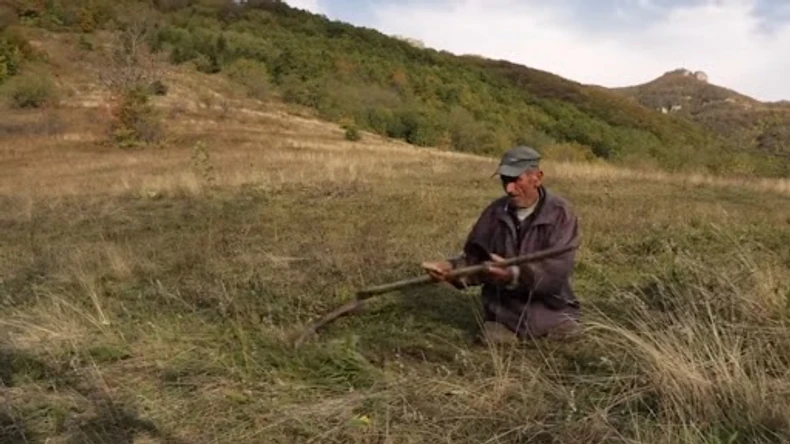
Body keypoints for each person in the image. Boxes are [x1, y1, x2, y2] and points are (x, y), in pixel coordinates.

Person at [421, 145, 583, 344]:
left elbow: (557, 272)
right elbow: (475, 261)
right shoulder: (493, 214)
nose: (509, 189)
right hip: (505, 317)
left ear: (537, 178)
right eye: (505, 180)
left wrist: (515, 275)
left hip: (552, 312)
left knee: (569, 334)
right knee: (493, 340)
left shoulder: (560, 214)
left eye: (516, 180)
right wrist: (451, 270)